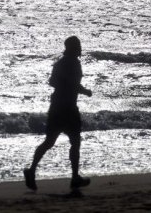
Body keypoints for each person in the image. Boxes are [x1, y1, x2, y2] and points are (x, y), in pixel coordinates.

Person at [24, 36, 92, 190]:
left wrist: (80, 89)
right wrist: (83, 90)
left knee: (61, 141)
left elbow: (64, 83)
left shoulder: (68, 62)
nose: (80, 48)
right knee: (62, 141)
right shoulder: (67, 63)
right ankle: (34, 170)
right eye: (77, 46)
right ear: (71, 48)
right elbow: (57, 82)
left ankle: (34, 171)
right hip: (64, 108)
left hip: (62, 107)